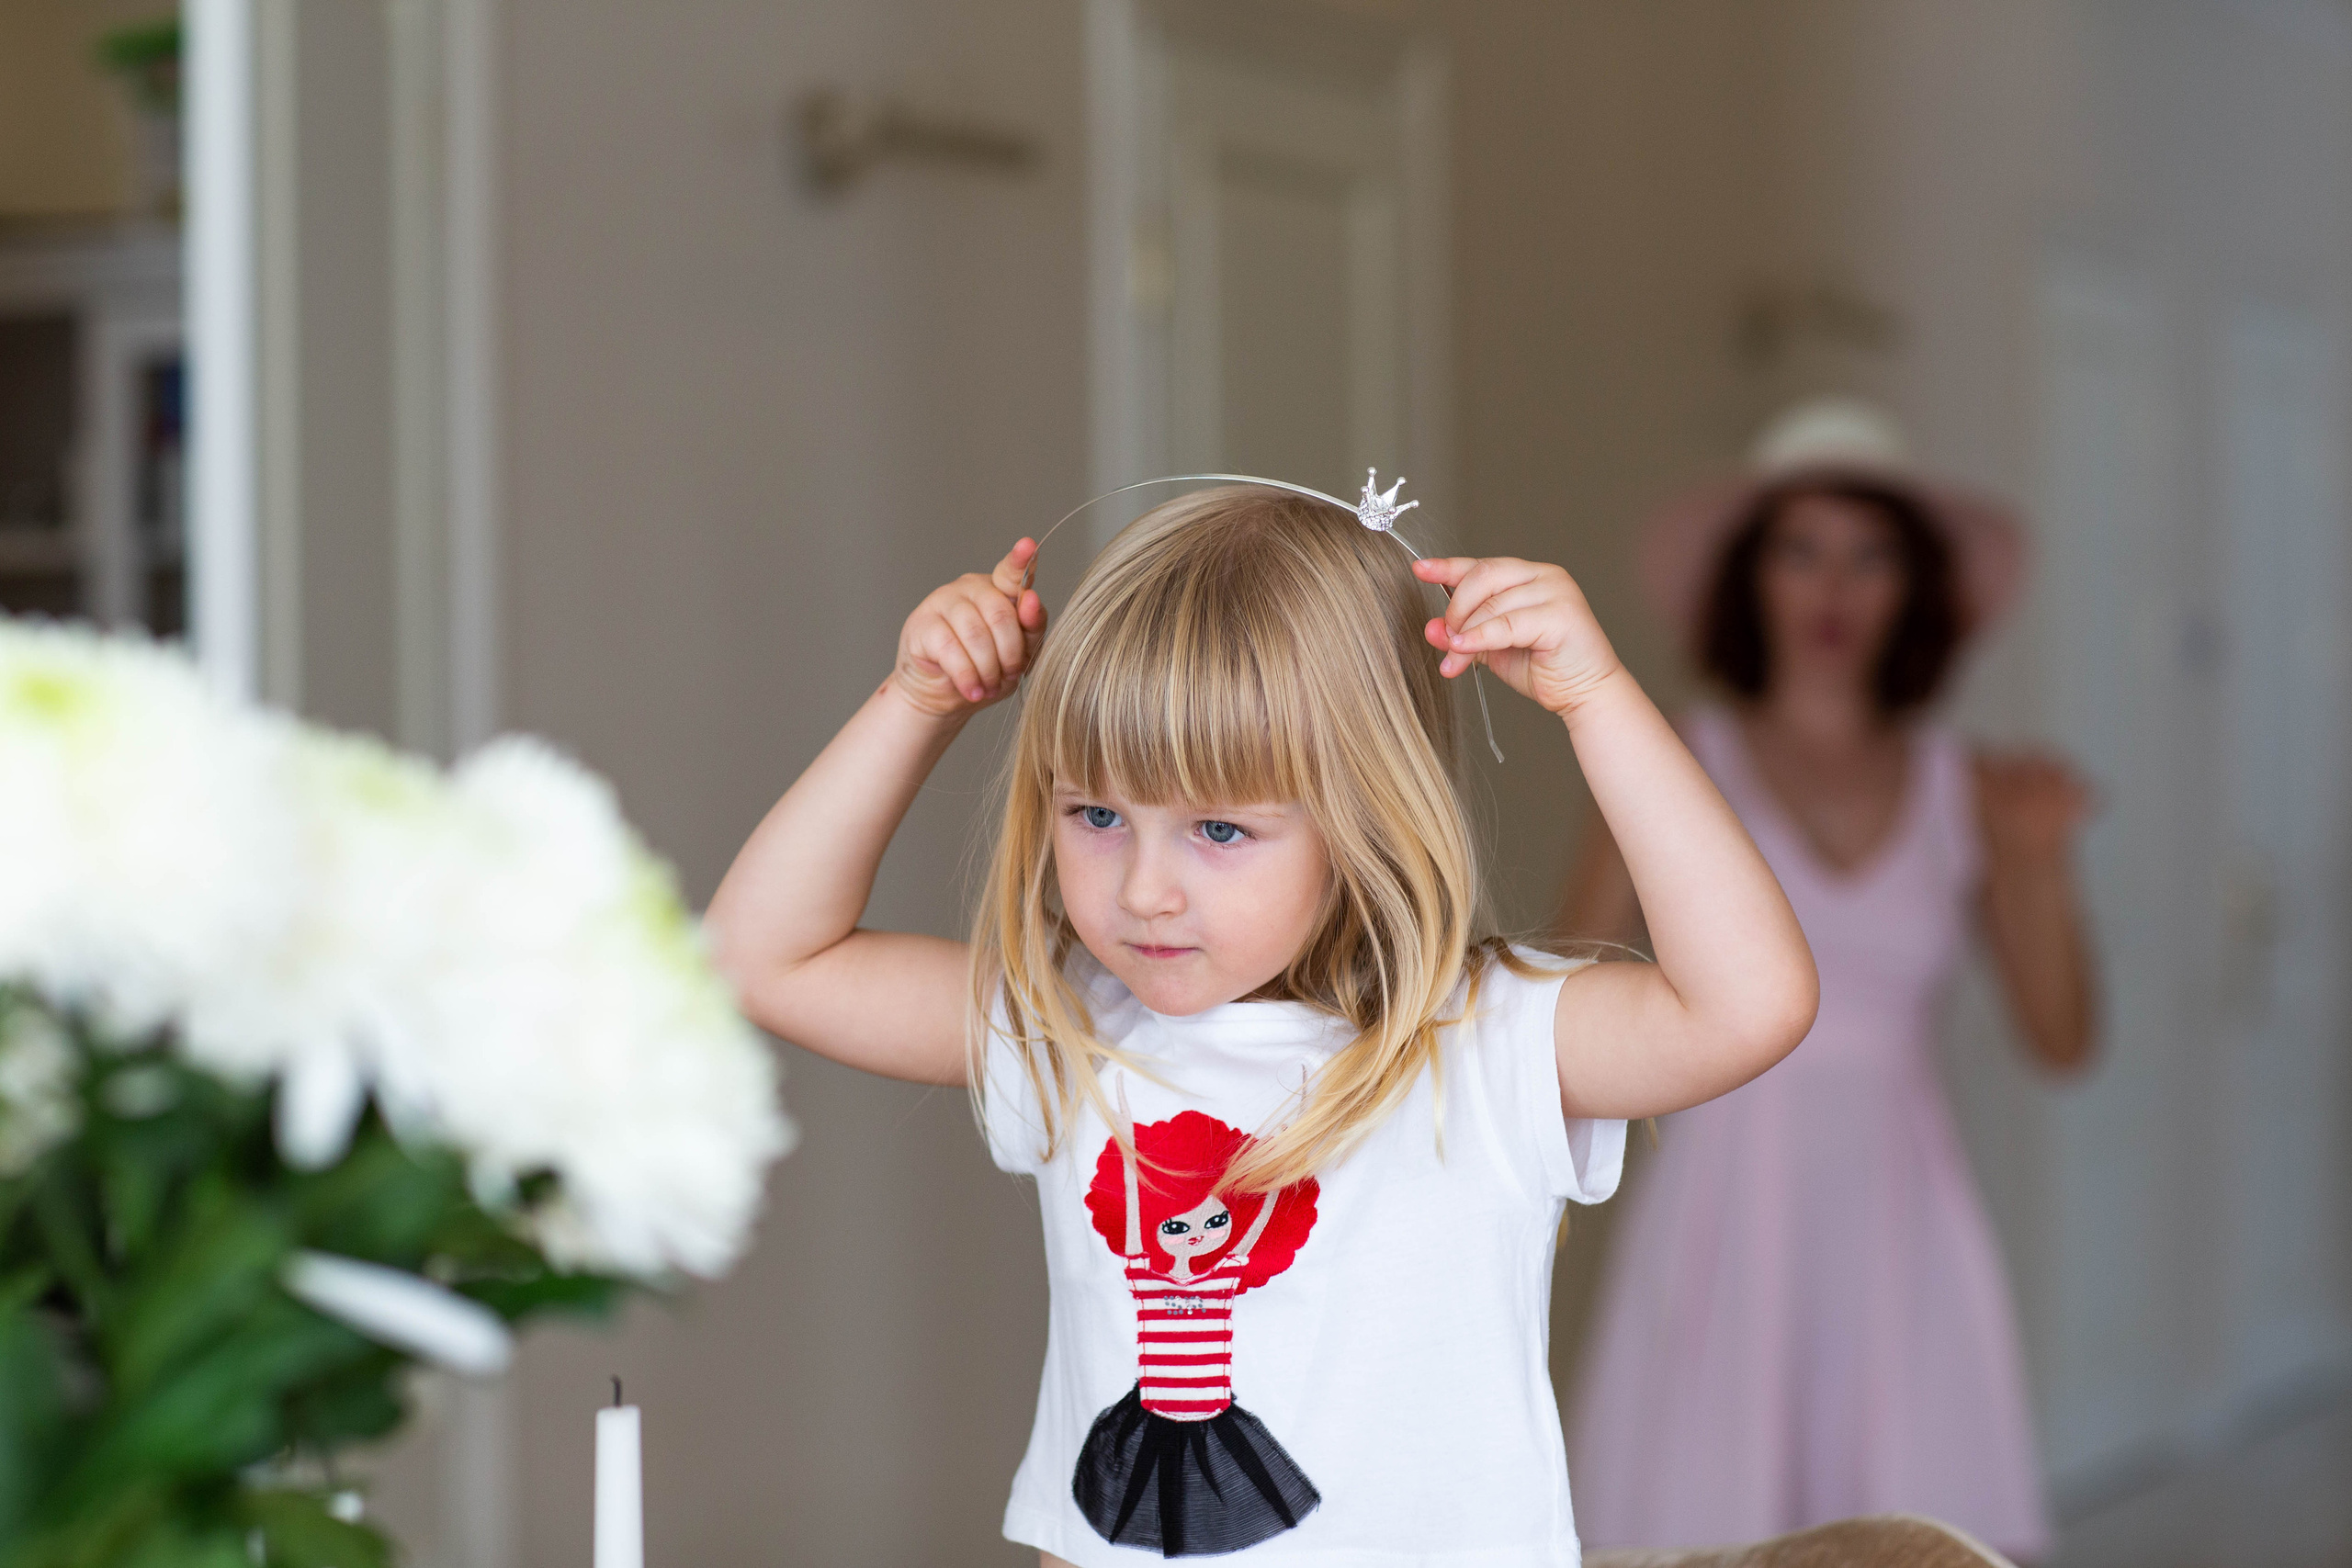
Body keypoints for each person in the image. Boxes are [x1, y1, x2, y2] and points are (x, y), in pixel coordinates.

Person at [707, 481, 1818, 1566]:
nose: (1143, 890)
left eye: (1219, 831)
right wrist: (917, 701)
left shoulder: (1484, 1043)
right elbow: (763, 956)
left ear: (1365, 818)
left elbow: (1749, 1005)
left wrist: (1599, 699)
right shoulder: (1070, 1034)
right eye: (1096, 814)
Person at [1561, 399, 2096, 1563]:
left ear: (1915, 589)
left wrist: (2042, 866)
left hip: (1899, 1226)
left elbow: (2060, 1040)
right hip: (1719, 1227)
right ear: (1751, 577)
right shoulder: (1671, 762)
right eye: (1800, 550)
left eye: (1869, 555)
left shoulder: (1974, 788)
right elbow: (1549, 1023)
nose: (1832, 589)